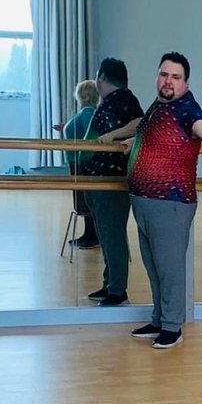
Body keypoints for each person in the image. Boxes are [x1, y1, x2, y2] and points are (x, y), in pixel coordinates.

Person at [123, 52, 202, 348]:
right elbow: (152, 136)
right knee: (153, 266)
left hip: (170, 202)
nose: (168, 81)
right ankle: (160, 318)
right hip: (145, 201)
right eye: (164, 74)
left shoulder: (186, 106)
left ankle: (172, 326)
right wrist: (132, 144)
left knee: (169, 267)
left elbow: (201, 127)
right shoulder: (158, 106)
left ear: (185, 83)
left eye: (175, 77)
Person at [81, 58, 144, 306]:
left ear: (102, 77)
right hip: (98, 179)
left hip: (112, 180)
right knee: (106, 234)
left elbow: (141, 123)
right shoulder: (108, 101)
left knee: (113, 233)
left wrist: (113, 135)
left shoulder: (125, 99)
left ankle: (118, 290)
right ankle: (109, 283)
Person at [55, 79, 100, 249]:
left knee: (84, 200)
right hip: (78, 162)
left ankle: (93, 235)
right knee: (82, 199)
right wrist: (65, 127)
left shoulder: (87, 114)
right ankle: (89, 233)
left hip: (82, 163)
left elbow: (91, 135)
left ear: (81, 96)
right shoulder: (86, 114)